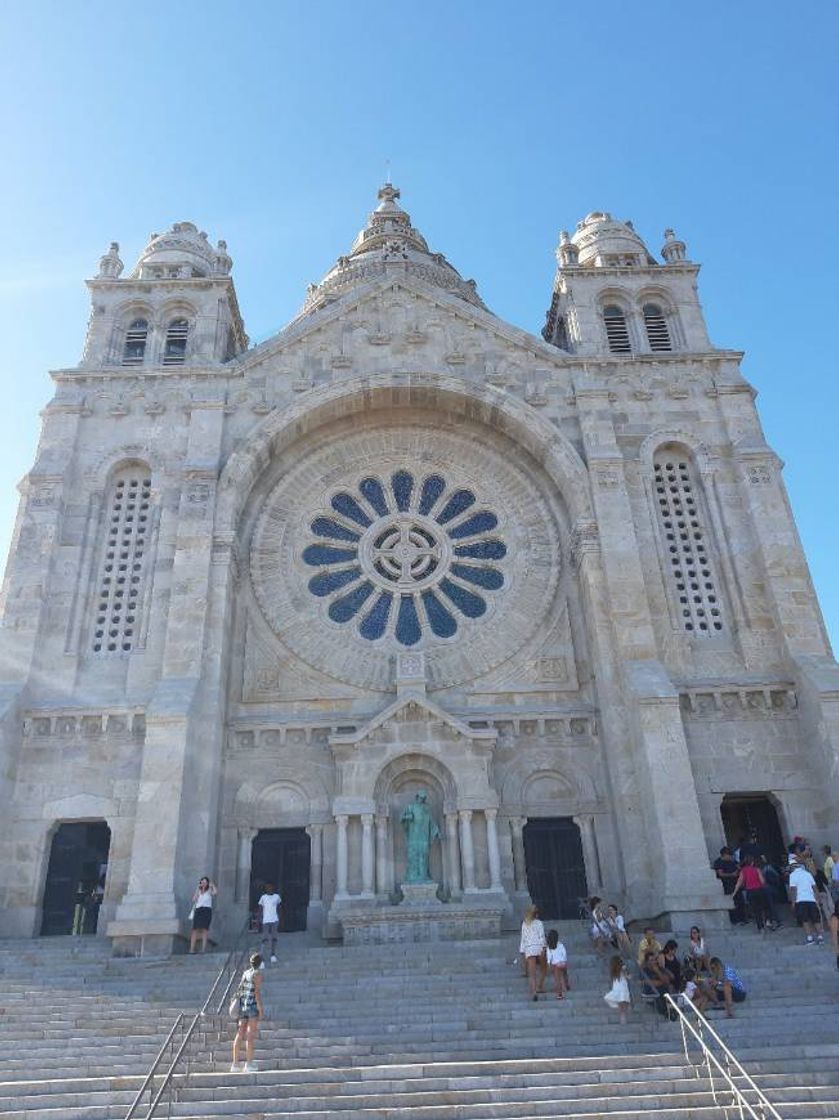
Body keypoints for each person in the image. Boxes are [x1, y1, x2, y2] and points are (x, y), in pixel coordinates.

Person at [230, 951, 264, 1073]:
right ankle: (249, 1064)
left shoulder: (246, 973)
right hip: (252, 1007)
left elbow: (239, 989)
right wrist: (261, 1009)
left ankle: (235, 1064)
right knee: (250, 1035)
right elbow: (257, 992)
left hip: (243, 1007)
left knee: (240, 1034)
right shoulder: (257, 974)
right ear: (260, 963)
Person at [789, 854, 825, 945]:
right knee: (815, 919)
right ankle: (820, 937)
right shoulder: (808, 874)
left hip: (800, 900)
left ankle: (810, 938)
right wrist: (818, 899)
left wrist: (793, 902)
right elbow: (814, 887)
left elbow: (793, 889)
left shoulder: (792, 875)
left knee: (805, 920)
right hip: (811, 899)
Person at [731, 856, 772, 931]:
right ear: (752, 863)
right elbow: (762, 881)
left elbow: (739, 882)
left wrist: (734, 893)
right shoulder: (757, 869)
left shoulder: (743, 871)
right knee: (765, 906)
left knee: (756, 910)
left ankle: (760, 927)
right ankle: (767, 920)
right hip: (759, 890)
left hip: (750, 892)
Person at [519, 905, 547, 1000]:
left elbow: (523, 939)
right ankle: (540, 986)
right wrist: (544, 948)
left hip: (529, 949)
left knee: (532, 973)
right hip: (539, 948)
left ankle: (534, 991)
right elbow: (542, 936)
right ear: (536, 914)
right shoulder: (539, 923)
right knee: (543, 969)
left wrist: (522, 951)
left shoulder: (524, 924)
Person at [712, 847, 744, 924]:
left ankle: (742, 918)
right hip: (727, 885)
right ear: (725, 855)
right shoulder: (718, 862)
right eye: (729, 855)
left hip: (736, 884)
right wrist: (732, 874)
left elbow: (738, 866)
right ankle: (735, 920)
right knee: (732, 903)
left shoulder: (732, 861)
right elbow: (720, 874)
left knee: (740, 901)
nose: (731, 857)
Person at [190, 876, 217, 953]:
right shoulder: (198, 890)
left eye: (205, 882)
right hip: (198, 910)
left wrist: (212, 885)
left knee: (205, 930)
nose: (203, 883)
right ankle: (191, 949)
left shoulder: (209, 891)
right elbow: (194, 899)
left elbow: (215, 892)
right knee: (194, 929)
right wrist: (197, 889)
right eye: (202, 882)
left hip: (207, 910)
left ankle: (203, 949)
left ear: (207, 883)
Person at [258, 882, 282, 963]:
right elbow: (260, 909)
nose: (269, 889)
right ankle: (262, 956)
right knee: (264, 938)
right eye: (267, 887)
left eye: (270, 887)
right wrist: (260, 918)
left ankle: (273, 954)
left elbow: (279, 907)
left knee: (274, 938)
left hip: (274, 919)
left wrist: (279, 917)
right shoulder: (263, 897)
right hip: (266, 920)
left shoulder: (277, 897)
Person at [604, 954, 631, 1025]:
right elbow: (627, 976)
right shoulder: (623, 968)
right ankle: (624, 1018)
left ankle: (622, 1018)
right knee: (624, 1003)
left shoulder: (613, 970)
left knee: (620, 1004)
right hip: (623, 987)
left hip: (616, 988)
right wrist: (628, 975)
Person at [546, 928, 569, 999]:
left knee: (557, 979)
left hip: (555, 965)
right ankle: (566, 985)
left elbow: (549, 959)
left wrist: (549, 966)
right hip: (563, 963)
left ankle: (559, 994)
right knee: (564, 974)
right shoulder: (561, 945)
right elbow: (564, 954)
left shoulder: (549, 947)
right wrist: (564, 961)